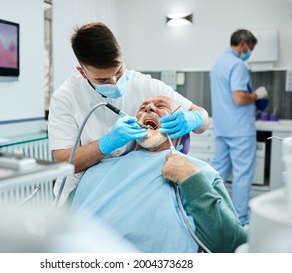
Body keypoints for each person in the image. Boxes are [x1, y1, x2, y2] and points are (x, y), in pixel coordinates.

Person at [48, 22, 210, 202]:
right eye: (103, 80)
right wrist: (105, 144)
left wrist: (194, 118)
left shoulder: (144, 84)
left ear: (121, 53)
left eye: (119, 72)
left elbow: (203, 118)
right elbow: (63, 160)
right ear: (83, 72)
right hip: (81, 195)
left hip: (128, 193)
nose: (115, 82)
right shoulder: (65, 98)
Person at [70, 95, 247, 253]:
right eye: (143, 107)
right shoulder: (98, 170)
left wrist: (192, 179)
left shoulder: (198, 174)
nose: (149, 108)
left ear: (181, 128)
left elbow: (233, 245)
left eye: (161, 106)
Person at [209, 29, 268, 226]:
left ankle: (207, 212)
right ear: (243, 43)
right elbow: (239, 97)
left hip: (223, 127)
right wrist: (257, 95)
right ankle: (241, 221)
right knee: (242, 175)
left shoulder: (218, 65)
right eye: (250, 48)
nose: (249, 52)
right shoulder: (238, 65)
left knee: (216, 173)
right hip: (240, 130)